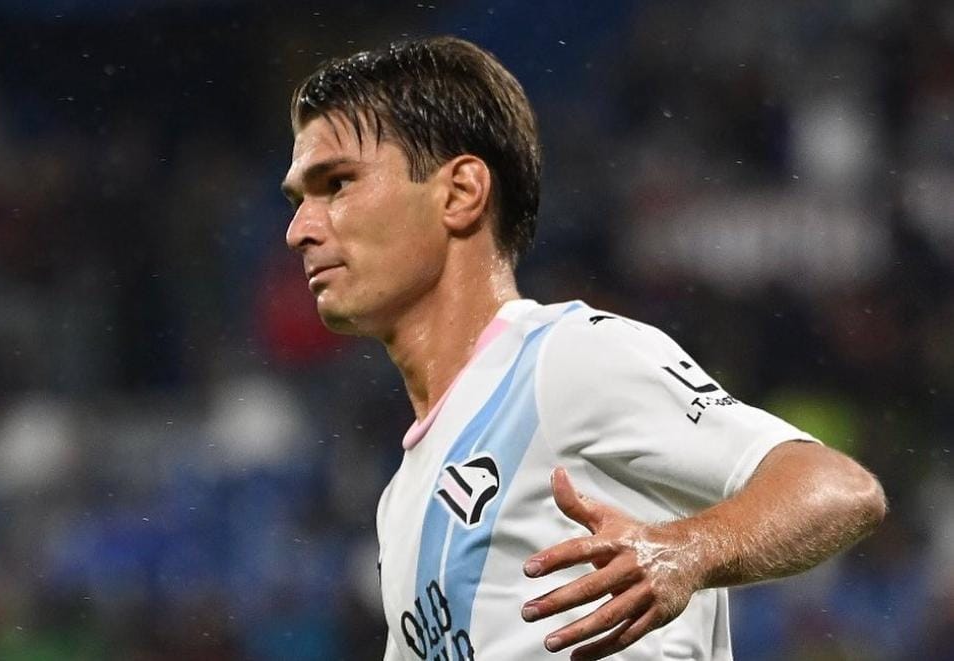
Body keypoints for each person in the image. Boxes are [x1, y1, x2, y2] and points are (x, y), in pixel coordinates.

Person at [280, 36, 886, 661]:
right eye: (298, 201)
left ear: (460, 193)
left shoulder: (563, 358)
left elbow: (835, 487)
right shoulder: (401, 498)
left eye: (338, 183)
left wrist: (688, 550)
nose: (299, 231)